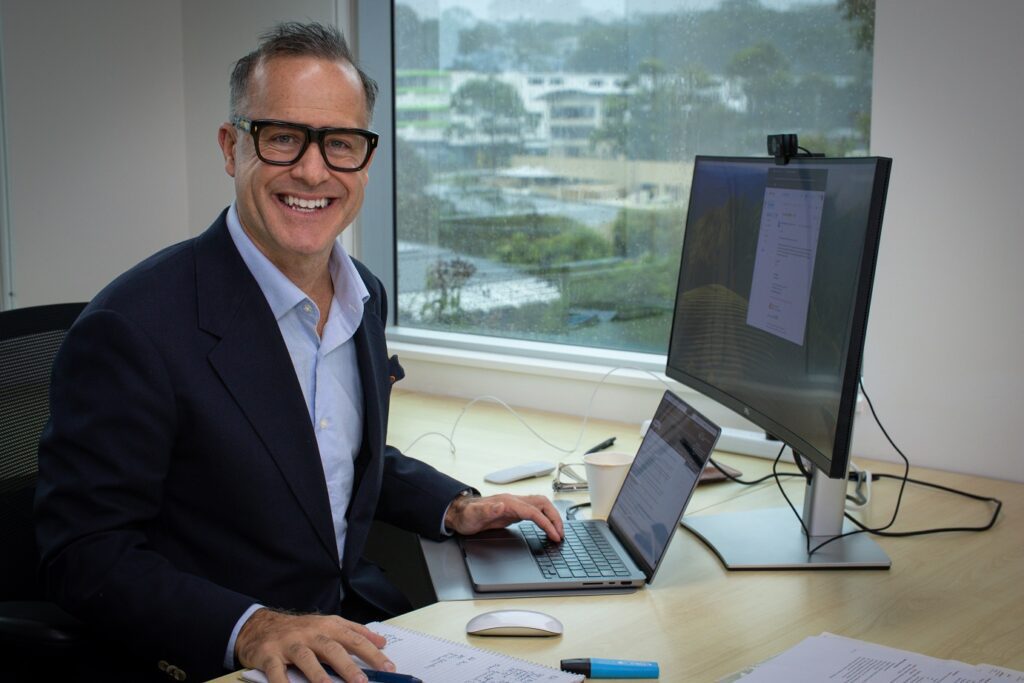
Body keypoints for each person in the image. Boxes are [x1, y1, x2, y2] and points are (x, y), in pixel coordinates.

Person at [34, 21, 562, 683]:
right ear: (232, 148)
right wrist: (253, 626)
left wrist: (453, 505)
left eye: (340, 144)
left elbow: (325, 454)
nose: (313, 170)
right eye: (283, 137)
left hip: (355, 631)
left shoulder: (363, 294)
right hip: (219, 662)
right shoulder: (132, 328)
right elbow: (83, 554)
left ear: (365, 161)